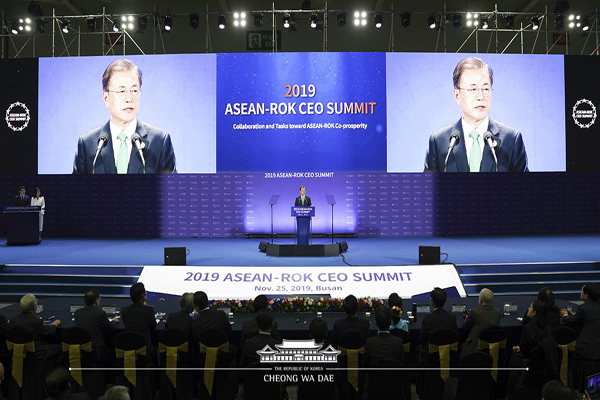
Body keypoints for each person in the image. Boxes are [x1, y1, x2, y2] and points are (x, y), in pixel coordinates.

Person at [424, 56, 528, 173]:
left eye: (485, 89)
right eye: (473, 89)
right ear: (457, 95)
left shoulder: (511, 140)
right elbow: (428, 189)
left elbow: (525, 189)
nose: (480, 97)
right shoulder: (439, 141)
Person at [73, 59, 176, 174]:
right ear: (106, 98)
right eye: (122, 91)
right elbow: (76, 190)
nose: (129, 99)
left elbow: (172, 190)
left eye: (134, 90)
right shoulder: (88, 144)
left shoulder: (159, 141)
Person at [560, 282, 600, 390]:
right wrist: (574, 314)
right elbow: (587, 318)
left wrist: (565, 316)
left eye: (581, 291)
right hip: (597, 350)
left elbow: (572, 322)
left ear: (586, 295)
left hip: (586, 351)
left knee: (583, 385)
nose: (580, 293)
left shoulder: (583, 308)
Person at [7, 293, 62, 363]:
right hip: (37, 352)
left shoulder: (12, 321)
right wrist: (55, 324)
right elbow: (48, 331)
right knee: (59, 348)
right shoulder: (36, 322)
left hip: (18, 353)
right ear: (35, 307)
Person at [74, 289, 119, 364]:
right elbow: (111, 329)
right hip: (97, 350)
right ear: (96, 301)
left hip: (81, 349)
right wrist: (114, 321)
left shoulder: (77, 313)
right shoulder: (100, 314)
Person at [417, 287, 458, 364]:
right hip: (449, 354)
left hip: (430, 357)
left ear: (432, 301)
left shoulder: (427, 319)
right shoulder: (452, 318)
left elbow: (421, 340)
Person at [461, 288, 502, 357]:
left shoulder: (474, 312)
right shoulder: (497, 313)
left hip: (474, 347)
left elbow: (464, 326)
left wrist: (467, 318)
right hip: (492, 348)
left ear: (480, 301)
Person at [121, 282, 157, 354]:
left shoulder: (125, 311)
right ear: (142, 295)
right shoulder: (148, 310)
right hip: (145, 349)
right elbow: (153, 325)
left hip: (130, 347)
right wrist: (145, 307)